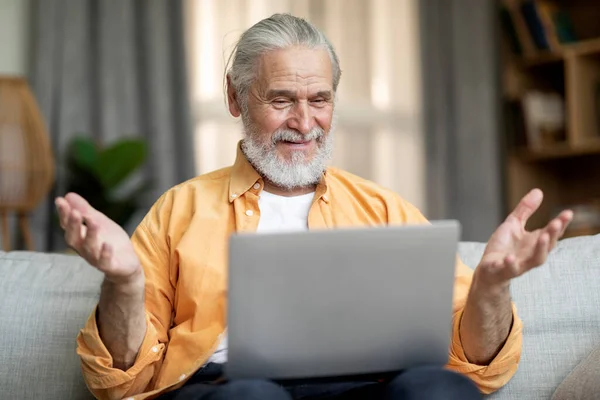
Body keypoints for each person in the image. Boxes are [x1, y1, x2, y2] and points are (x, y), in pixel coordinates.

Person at [56, 14, 573, 400]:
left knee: (441, 390)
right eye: (281, 100)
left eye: (319, 100)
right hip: (232, 387)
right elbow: (118, 379)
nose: (304, 123)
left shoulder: (381, 207)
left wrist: (491, 287)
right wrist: (122, 284)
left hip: (366, 386)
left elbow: (480, 365)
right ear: (236, 99)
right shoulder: (180, 210)